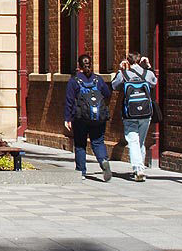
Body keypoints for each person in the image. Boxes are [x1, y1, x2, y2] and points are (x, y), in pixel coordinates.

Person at [65, 54, 113, 181]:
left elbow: (69, 101)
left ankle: (81, 171)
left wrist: (67, 118)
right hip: (98, 117)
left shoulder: (74, 81)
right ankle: (103, 160)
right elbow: (107, 93)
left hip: (80, 117)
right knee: (98, 141)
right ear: (91, 64)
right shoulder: (98, 79)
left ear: (78, 65)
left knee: (80, 144)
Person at [112, 52, 157, 182]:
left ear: (128, 61)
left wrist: (120, 69)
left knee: (133, 142)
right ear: (139, 60)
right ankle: (140, 167)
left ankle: (138, 168)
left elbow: (114, 85)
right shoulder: (146, 73)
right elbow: (154, 82)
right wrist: (148, 66)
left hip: (129, 114)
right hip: (145, 113)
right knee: (140, 142)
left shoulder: (124, 74)